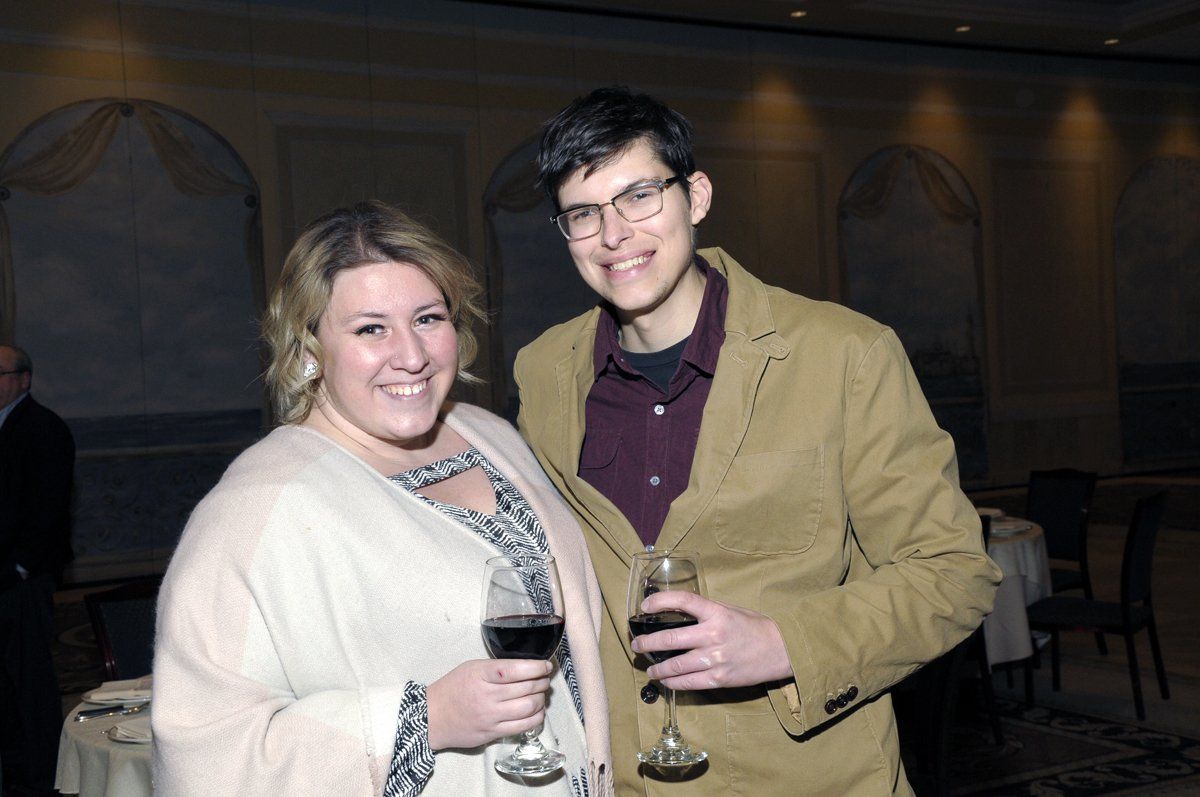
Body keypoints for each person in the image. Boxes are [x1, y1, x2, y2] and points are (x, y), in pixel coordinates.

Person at [514, 86, 1002, 795]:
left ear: (697, 196)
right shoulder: (542, 372)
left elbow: (954, 570)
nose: (614, 233)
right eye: (583, 214)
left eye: (640, 195)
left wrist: (784, 642)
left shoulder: (844, 355)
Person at [152, 202, 612, 796]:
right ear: (309, 345)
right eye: (371, 328)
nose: (413, 356)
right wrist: (426, 721)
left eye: (428, 318)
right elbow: (205, 752)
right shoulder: (258, 508)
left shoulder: (488, 433)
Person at [0, 344, 75, 796]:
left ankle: (44, 781)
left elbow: (48, 508)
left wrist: (21, 567)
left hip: (21, 581)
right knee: (7, 689)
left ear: (24, 379)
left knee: (30, 685)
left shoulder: (43, 427)